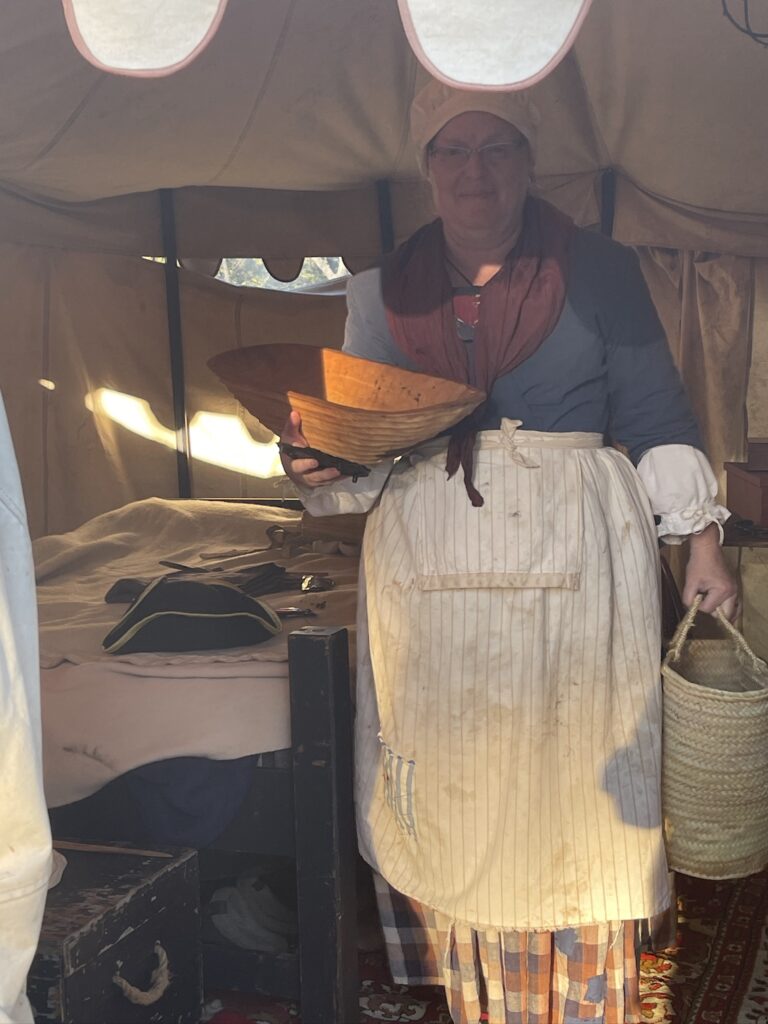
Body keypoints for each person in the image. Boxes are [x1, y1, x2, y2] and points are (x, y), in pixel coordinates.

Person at [280, 79, 738, 1024]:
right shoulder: (380, 290)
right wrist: (323, 462)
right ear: (427, 169)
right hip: (429, 570)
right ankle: (477, 998)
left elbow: (656, 414)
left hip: (574, 559)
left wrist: (703, 545)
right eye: (454, 151)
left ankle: (578, 1000)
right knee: (454, 774)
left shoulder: (600, 270)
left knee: (570, 772)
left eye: (496, 150)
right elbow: (366, 446)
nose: (474, 171)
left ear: (530, 164)